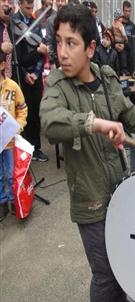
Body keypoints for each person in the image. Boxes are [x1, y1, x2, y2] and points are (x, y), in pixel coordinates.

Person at [40, 5, 135, 301]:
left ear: (91, 48)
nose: (62, 52)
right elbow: (50, 122)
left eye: (71, 43)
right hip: (89, 202)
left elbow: (129, 114)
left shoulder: (106, 77)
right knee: (106, 274)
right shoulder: (57, 84)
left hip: (120, 193)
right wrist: (93, 123)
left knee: (126, 266)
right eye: (59, 42)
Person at [13, 0, 48, 162]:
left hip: (35, 74)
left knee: (36, 113)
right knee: (25, 114)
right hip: (22, 76)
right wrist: (25, 73)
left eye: (32, 6)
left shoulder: (35, 22)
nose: (30, 10)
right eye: (27, 7)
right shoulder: (13, 23)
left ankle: (37, 148)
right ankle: (26, 148)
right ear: (19, 4)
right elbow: (15, 58)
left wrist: (36, 72)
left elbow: (42, 51)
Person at [0, 50, 27, 220]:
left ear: (2, 65)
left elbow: (22, 108)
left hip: (9, 140)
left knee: (11, 173)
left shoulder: (12, 86)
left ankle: (13, 201)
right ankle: (2, 202)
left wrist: (19, 126)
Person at [45, 0, 67, 70]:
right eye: (58, 1)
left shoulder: (73, 19)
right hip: (58, 61)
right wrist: (52, 62)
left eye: (62, 1)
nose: (60, 3)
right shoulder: (51, 21)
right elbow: (49, 42)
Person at [111, 9, 128, 75]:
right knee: (123, 57)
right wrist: (126, 40)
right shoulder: (120, 25)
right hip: (121, 44)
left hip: (115, 44)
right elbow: (124, 34)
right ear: (119, 17)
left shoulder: (113, 24)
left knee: (116, 58)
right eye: (121, 17)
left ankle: (116, 71)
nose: (122, 19)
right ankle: (123, 71)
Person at [0, 0, 13, 79]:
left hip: (11, 82)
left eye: (10, 2)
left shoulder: (12, 26)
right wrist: (1, 47)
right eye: (4, 0)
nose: (7, 5)